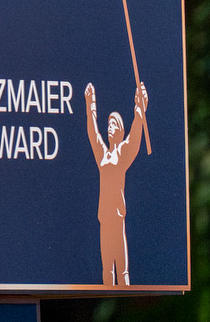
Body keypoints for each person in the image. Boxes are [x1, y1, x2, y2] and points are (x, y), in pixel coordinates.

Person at [84, 78, 149, 286]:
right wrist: (90, 106)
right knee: (106, 269)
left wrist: (140, 108)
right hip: (104, 217)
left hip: (118, 216)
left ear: (120, 130)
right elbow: (93, 133)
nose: (109, 127)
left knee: (122, 271)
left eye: (114, 124)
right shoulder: (103, 155)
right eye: (108, 123)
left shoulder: (122, 153)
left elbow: (135, 136)